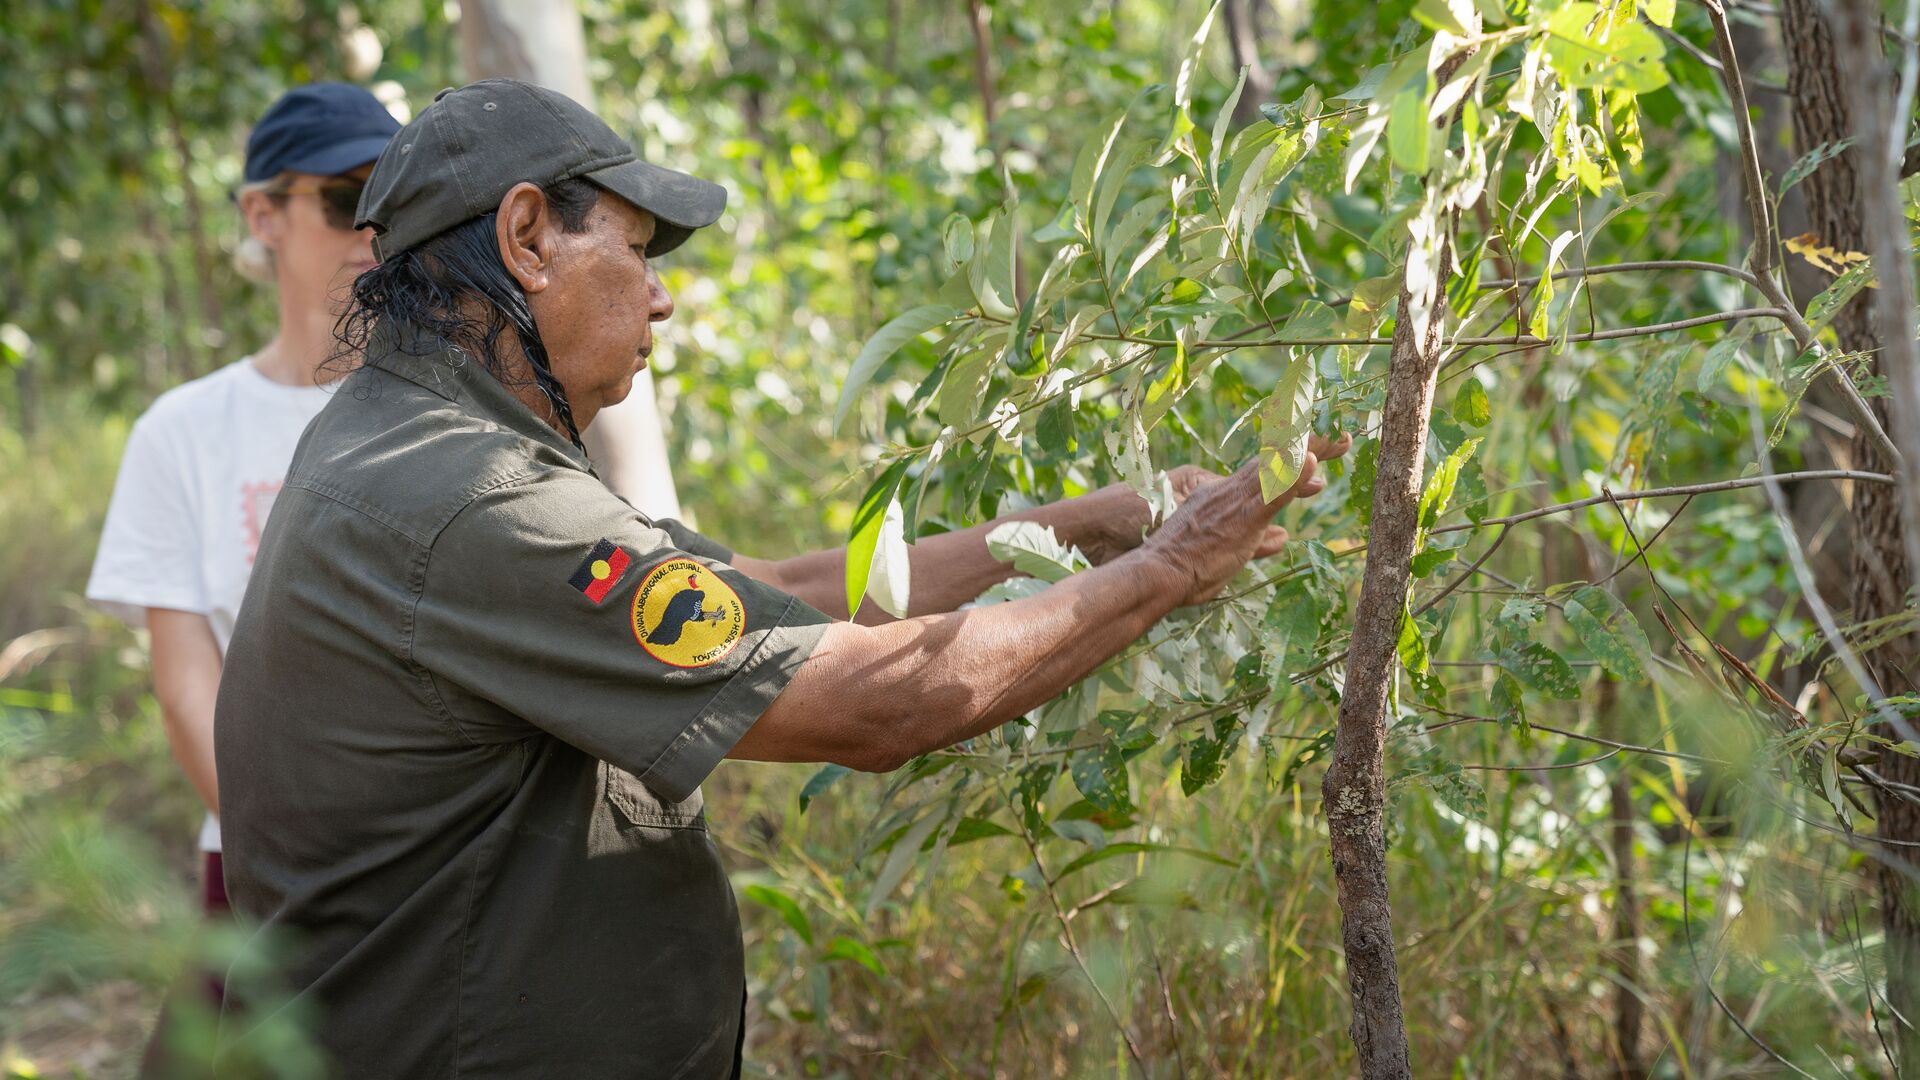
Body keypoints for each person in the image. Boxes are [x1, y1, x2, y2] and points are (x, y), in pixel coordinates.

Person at [212, 80, 1349, 1078]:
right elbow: (875, 701)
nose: (660, 297)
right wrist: (1178, 564)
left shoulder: (417, 438)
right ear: (526, 237)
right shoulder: (465, 495)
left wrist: (1095, 524)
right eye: (638, 249)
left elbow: (770, 587)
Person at [86, 83, 399, 921]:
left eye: (392, 202)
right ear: (264, 216)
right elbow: (189, 684)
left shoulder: (446, 411)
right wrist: (291, 858)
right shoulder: (181, 433)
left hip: (444, 856)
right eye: (345, 200)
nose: (374, 232)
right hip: (263, 864)